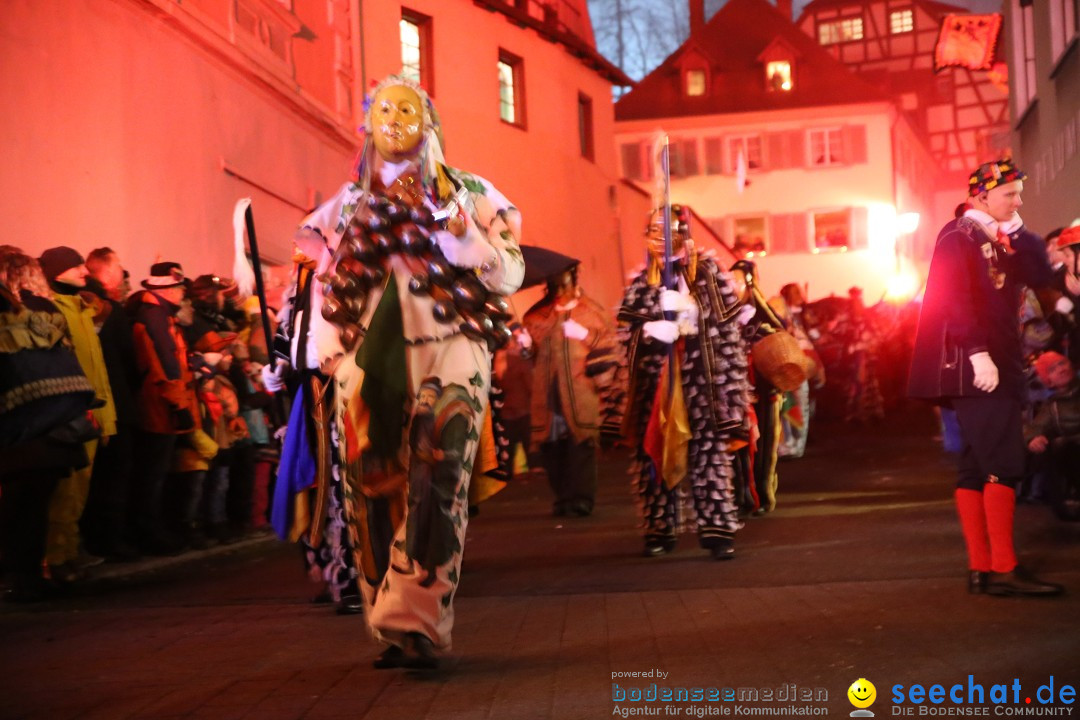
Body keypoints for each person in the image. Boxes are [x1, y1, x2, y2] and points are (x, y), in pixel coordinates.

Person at [286, 75, 524, 667]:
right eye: (384, 109)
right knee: (371, 490)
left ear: (430, 123)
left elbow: (508, 274)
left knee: (437, 483)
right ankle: (389, 621)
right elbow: (320, 288)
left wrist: (462, 234)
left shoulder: (470, 194)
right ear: (367, 123)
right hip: (367, 362)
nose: (395, 119)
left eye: (408, 109)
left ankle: (419, 620)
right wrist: (330, 355)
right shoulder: (344, 206)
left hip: (452, 351)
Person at [908, 159, 1063, 597]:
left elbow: (1036, 274)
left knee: (976, 466)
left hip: (989, 363)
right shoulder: (960, 236)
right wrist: (978, 354)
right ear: (981, 196)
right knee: (1004, 463)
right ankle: (1004, 568)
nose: (1017, 200)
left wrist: (1019, 231)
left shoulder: (991, 236)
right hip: (977, 366)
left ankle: (982, 569)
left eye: (1018, 193)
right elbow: (954, 300)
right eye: (1009, 194)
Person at [609, 206, 750, 559]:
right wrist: (649, 331)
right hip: (658, 384)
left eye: (669, 234)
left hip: (702, 382)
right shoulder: (643, 282)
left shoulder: (708, 271)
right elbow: (627, 335)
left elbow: (728, 324)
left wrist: (692, 312)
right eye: (654, 234)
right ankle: (660, 529)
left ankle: (717, 531)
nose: (662, 242)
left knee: (708, 455)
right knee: (653, 454)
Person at [1, 252, 97, 601]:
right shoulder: (50, 310)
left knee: (15, 504)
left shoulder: (7, 312)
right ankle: (31, 575)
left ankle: (16, 575)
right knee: (37, 504)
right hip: (57, 421)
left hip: (18, 420)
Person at [38, 246, 117, 581]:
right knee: (64, 493)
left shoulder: (82, 309)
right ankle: (55, 559)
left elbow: (98, 370)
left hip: (91, 415)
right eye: (77, 267)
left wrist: (107, 418)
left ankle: (67, 553)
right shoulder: (56, 311)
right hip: (74, 415)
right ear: (57, 273)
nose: (85, 272)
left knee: (78, 492)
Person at [524, 263, 619, 517]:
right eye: (554, 282)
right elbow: (533, 352)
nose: (558, 287)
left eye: (563, 280)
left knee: (581, 445)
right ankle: (563, 497)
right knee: (552, 446)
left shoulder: (591, 311)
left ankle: (582, 497)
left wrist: (585, 334)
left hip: (580, 390)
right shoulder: (537, 316)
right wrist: (526, 346)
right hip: (548, 391)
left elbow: (610, 342)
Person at [127, 262, 200, 555]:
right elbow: (163, 366)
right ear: (166, 288)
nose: (183, 292)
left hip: (162, 405)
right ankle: (149, 534)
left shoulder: (159, 316)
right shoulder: (155, 318)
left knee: (156, 473)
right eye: (180, 287)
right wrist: (179, 404)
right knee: (152, 475)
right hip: (159, 408)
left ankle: (153, 531)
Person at [81, 247, 141, 560]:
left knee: (91, 480)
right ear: (105, 271)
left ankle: (91, 540)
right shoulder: (110, 310)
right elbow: (129, 360)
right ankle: (109, 540)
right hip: (114, 404)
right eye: (117, 266)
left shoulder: (79, 305)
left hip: (83, 404)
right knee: (114, 477)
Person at [1024, 351, 1080, 520]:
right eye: (1053, 369)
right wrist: (1033, 439)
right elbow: (1036, 427)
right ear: (1048, 380)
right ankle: (1062, 506)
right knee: (1052, 450)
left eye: (1062, 363)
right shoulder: (1052, 406)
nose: (1061, 370)